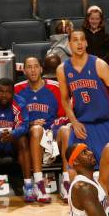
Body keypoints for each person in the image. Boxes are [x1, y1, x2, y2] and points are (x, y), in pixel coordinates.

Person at [56, 29, 109, 166]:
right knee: (75, 168)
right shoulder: (62, 69)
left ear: (87, 43)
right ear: (69, 44)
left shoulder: (100, 65)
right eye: (75, 40)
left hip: (105, 124)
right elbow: (64, 99)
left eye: (82, 39)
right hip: (82, 126)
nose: (79, 43)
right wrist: (74, 122)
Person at [15, 57, 70, 203]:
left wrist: (52, 128)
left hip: (53, 132)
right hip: (31, 135)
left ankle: (66, 183)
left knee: (66, 130)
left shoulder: (56, 87)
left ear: (41, 69)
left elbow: (66, 114)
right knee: (37, 129)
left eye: (35, 66)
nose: (33, 70)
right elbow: (14, 118)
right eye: (29, 67)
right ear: (24, 70)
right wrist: (31, 123)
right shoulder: (17, 90)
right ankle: (39, 184)